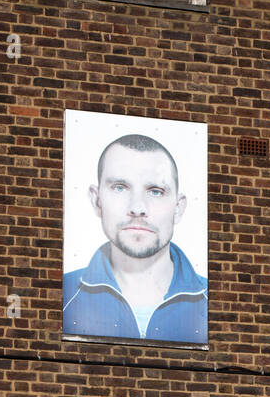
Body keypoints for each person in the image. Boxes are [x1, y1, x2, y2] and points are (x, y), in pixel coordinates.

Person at [63, 133, 207, 344]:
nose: (138, 208)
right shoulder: (62, 295)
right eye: (120, 187)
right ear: (96, 200)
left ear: (178, 208)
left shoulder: (216, 303)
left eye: (156, 191)